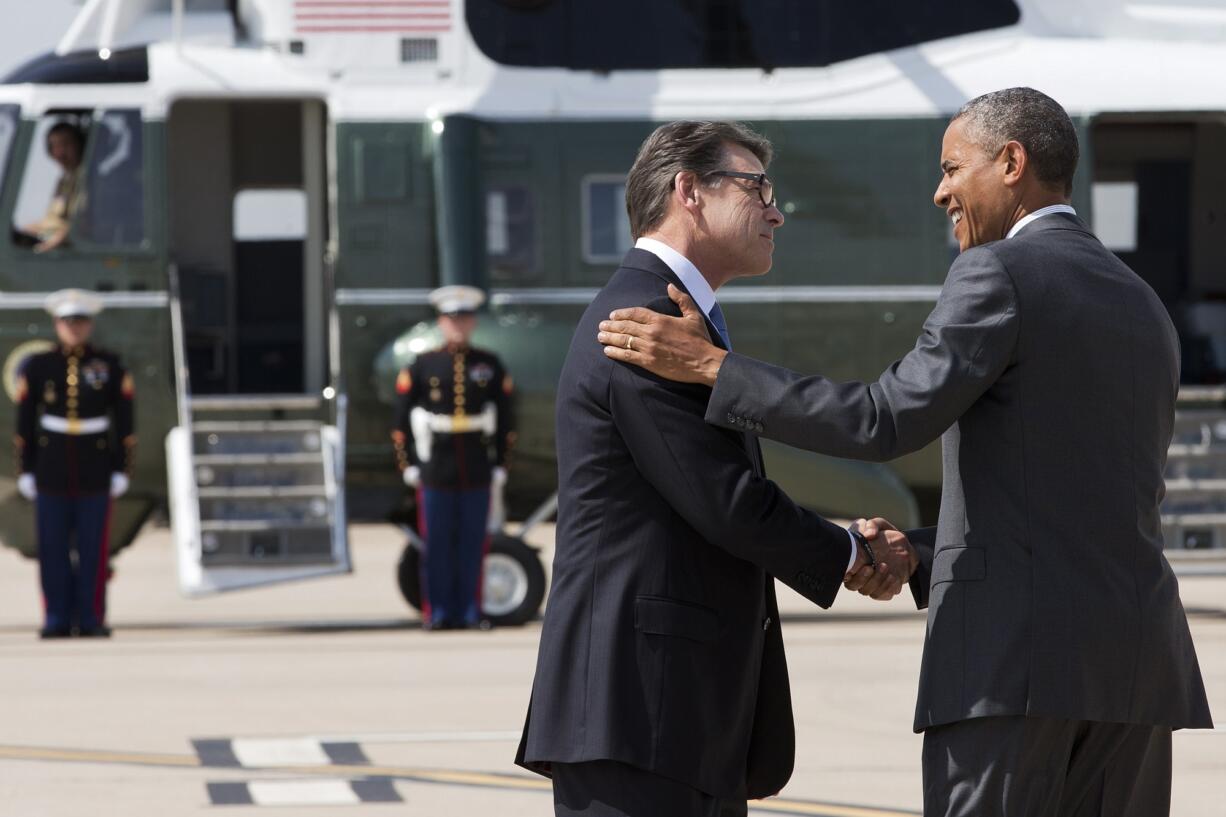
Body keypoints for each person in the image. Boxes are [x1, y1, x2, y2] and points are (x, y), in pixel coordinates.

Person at [596, 89, 1213, 816]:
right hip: (1138, 668)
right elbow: (1081, 494)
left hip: (1012, 669)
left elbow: (884, 420)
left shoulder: (998, 273)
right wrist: (922, 554)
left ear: (1011, 163)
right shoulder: (1142, 302)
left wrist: (714, 369)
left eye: (953, 168)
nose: (939, 190)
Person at [515, 121, 915, 817]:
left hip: (675, 716)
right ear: (688, 191)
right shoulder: (639, 319)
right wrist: (849, 551)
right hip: (638, 713)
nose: (776, 210)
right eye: (757, 187)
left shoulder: (678, 317)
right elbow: (726, 500)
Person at [391, 285, 516, 631]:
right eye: (451, 319)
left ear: (473, 322)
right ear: (441, 323)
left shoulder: (488, 365)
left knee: (473, 544)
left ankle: (471, 611)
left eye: (464, 318)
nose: (458, 325)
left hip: (476, 466)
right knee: (438, 546)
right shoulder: (423, 364)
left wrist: (501, 465)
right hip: (436, 468)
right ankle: (439, 612)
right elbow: (401, 421)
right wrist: (409, 466)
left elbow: (506, 421)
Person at [14, 289, 134, 639]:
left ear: (90, 324)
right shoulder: (39, 366)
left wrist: (121, 469)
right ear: (57, 324)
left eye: (80, 321)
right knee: (52, 549)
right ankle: (56, 617)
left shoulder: (109, 365)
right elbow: (24, 423)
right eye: (68, 322)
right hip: (51, 468)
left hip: (95, 467)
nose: (74, 328)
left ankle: (92, 617)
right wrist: (27, 469)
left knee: (93, 550)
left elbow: (125, 422)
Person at [14, 121, 86, 253]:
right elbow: (53, 221)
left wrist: (44, 248)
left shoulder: (87, 178)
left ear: (79, 145)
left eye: (66, 144)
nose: (60, 152)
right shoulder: (65, 179)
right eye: (55, 146)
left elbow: (81, 225)